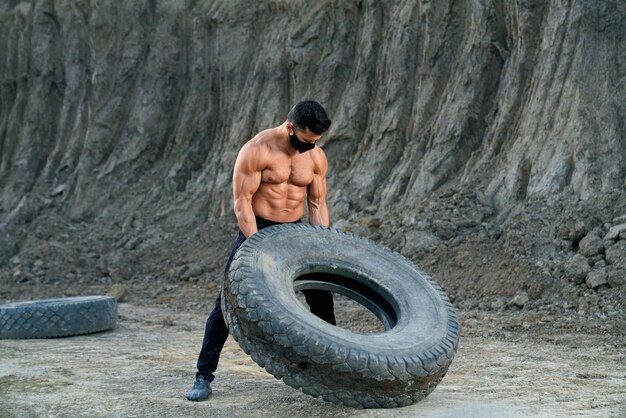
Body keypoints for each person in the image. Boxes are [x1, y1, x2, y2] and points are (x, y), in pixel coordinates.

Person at [186, 100, 336, 401]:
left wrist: (320, 243)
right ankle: (203, 376)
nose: (309, 147)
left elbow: (317, 204)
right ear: (290, 127)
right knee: (227, 303)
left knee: (322, 301)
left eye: (315, 143)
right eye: (305, 141)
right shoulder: (256, 150)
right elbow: (242, 203)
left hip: (296, 231)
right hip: (258, 229)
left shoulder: (316, 157)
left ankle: (330, 373)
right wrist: (256, 247)